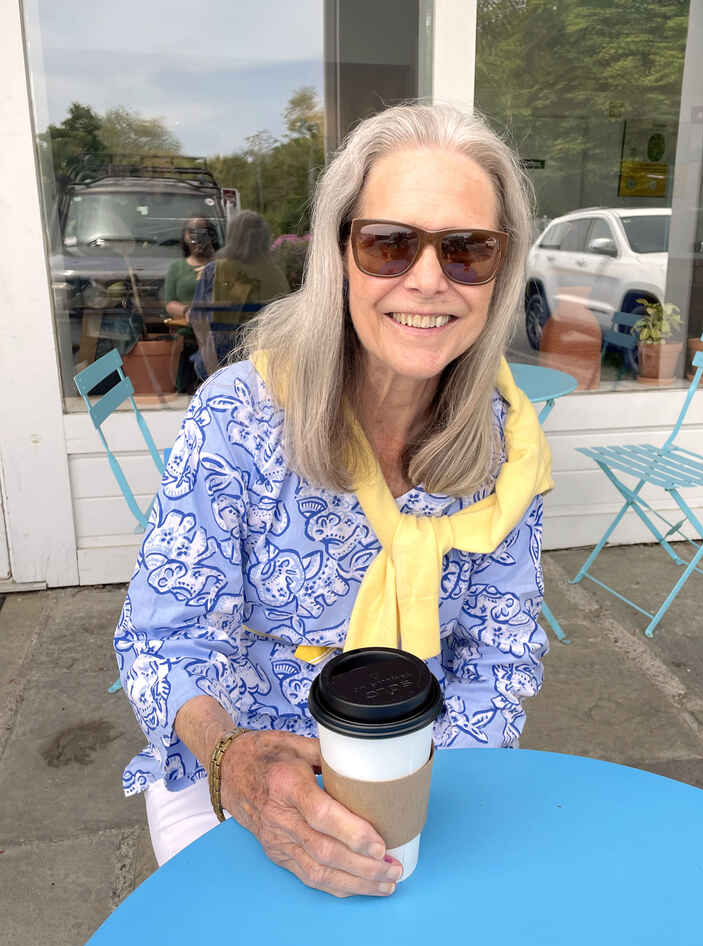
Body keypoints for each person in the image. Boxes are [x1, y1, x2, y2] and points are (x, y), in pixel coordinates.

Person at [115, 103, 553, 899]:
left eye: (466, 251)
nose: (428, 280)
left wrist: (424, 787)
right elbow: (163, 639)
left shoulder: (505, 446)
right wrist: (234, 766)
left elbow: (502, 650)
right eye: (389, 243)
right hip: (241, 769)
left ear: (501, 270)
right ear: (338, 253)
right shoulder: (240, 416)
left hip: (427, 764)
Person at [188, 210, 289, 380]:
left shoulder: (216, 270)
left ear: (232, 237)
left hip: (223, 361)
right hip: (262, 364)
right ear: (264, 238)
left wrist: (212, 371)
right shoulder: (275, 274)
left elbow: (198, 320)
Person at [163, 217, 220, 392]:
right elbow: (169, 303)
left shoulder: (222, 265)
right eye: (191, 232)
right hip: (188, 337)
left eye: (203, 232)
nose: (197, 238)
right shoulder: (177, 268)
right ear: (184, 238)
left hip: (218, 337)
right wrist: (187, 311)